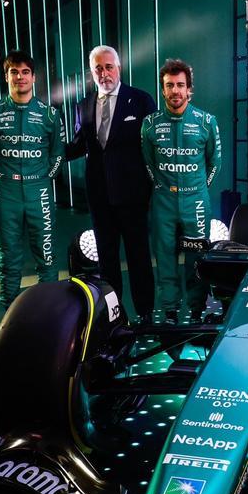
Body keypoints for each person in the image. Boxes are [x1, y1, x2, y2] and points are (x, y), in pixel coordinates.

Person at [64, 45, 157, 323]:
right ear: (92, 73)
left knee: (139, 258)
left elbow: (152, 146)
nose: (104, 73)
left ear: (119, 68)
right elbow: (80, 145)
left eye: (109, 67)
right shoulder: (84, 104)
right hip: (99, 196)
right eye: (98, 69)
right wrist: (50, 154)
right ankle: (115, 316)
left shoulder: (140, 100)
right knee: (107, 261)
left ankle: (146, 314)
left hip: (133, 196)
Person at [0, 50, 64, 307]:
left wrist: (40, 178)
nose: (20, 77)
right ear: (6, 77)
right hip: (6, 190)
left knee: (46, 253)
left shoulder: (49, 114)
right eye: (14, 72)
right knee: (9, 254)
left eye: (25, 72)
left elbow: (57, 154)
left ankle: (49, 309)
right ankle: (10, 309)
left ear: (34, 77)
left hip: (39, 190)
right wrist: (3, 178)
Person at [141, 59, 221, 324]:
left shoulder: (206, 121)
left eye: (180, 85)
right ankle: (170, 310)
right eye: (169, 86)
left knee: (196, 258)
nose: (175, 91)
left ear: (189, 89)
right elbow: (149, 163)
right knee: (164, 257)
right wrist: (165, 188)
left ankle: (196, 309)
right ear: (163, 90)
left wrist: (195, 189)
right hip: (163, 199)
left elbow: (214, 163)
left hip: (195, 200)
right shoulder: (149, 124)